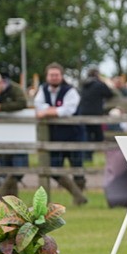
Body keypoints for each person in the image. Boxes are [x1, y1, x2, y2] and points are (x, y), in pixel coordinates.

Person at [34, 63, 87, 205]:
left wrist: (47, 111)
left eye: (56, 75)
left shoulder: (70, 91)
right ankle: (78, 195)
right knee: (53, 167)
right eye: (51, 75)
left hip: (73, 135)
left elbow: (68, 110)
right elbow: (38, 104)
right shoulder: (42, 89)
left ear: (61, 76)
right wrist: (54, 110)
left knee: (77, 167)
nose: (54, 78)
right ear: (47, 76)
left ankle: (79, 199)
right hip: (54, 136)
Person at [77, 66, 117, 190]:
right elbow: (111, 93)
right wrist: (106, 82)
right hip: (95, 114)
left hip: (83, 114)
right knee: (98, 136)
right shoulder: (99, 85)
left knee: (86, 137)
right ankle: (99, 156)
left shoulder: (83, 85)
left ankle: (88, 157)